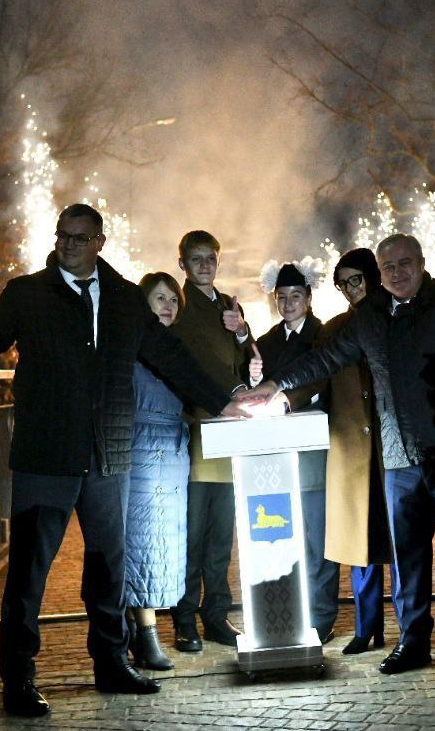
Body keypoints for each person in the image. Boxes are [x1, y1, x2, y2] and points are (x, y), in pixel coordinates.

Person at [0, 204, 246, 717]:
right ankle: (18, 680)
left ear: (99, 242)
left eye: (79, 237)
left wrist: (224, 401)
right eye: (62, 236)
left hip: (109, 454)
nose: (68, 245)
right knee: (28, 575)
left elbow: (170, 357)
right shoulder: (27, 292)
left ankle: (111, 663)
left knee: (109, 567)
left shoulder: (124, 298)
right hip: (46, 456)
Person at [242, 210, 435, 683]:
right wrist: (276, 385)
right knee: (408, 557)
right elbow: (326, 358)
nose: (397, 273)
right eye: (389, 267)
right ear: (379, 274)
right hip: (400, 456)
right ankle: (414, 642)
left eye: (405, 263)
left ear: (422, 264)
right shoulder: (369, 317)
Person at [168, 230, 252, 652]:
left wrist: (243, 333)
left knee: (222, 534)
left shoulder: (229, 306)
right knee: (192, 533)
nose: (204, 266)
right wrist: (227, 395)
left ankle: (216, 615)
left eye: (211, 259)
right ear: (182, 263)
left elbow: (248, 361)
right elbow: (186, 363)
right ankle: (184, 617)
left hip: (229, 431)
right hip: (197, 429)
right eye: (196, 259)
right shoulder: (177, 306)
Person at [251, 260, 339, 643]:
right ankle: (289, 611)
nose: (288, 303)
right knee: (284, 537)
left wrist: (287, 399)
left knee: (318, 537)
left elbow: (322, 377)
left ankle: (321, 616)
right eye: (282, 297)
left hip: (314, 448)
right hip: (274, 452)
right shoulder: (265, 341)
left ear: (309, 298)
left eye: (296, 296)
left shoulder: (324, 336)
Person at [318, 247, 397, 654]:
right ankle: (367, 629)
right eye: (343, 283)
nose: (350, 289)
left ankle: (408, 629)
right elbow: (317, 376)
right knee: (360, 544)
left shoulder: (396, 319)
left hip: (393, 448)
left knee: (400, 543)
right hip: (352, 449)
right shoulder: (334, 329)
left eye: (356, 280)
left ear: (372, 277)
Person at [124, 272, 191, 671]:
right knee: (141, 542)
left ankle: (139, 633)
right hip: (141, 449)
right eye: (160, 298)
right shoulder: (132, 346)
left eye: (173, 300)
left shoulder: (176, 348)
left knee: (162, 544)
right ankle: (144, 635)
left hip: (171, 450)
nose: (168, 306)